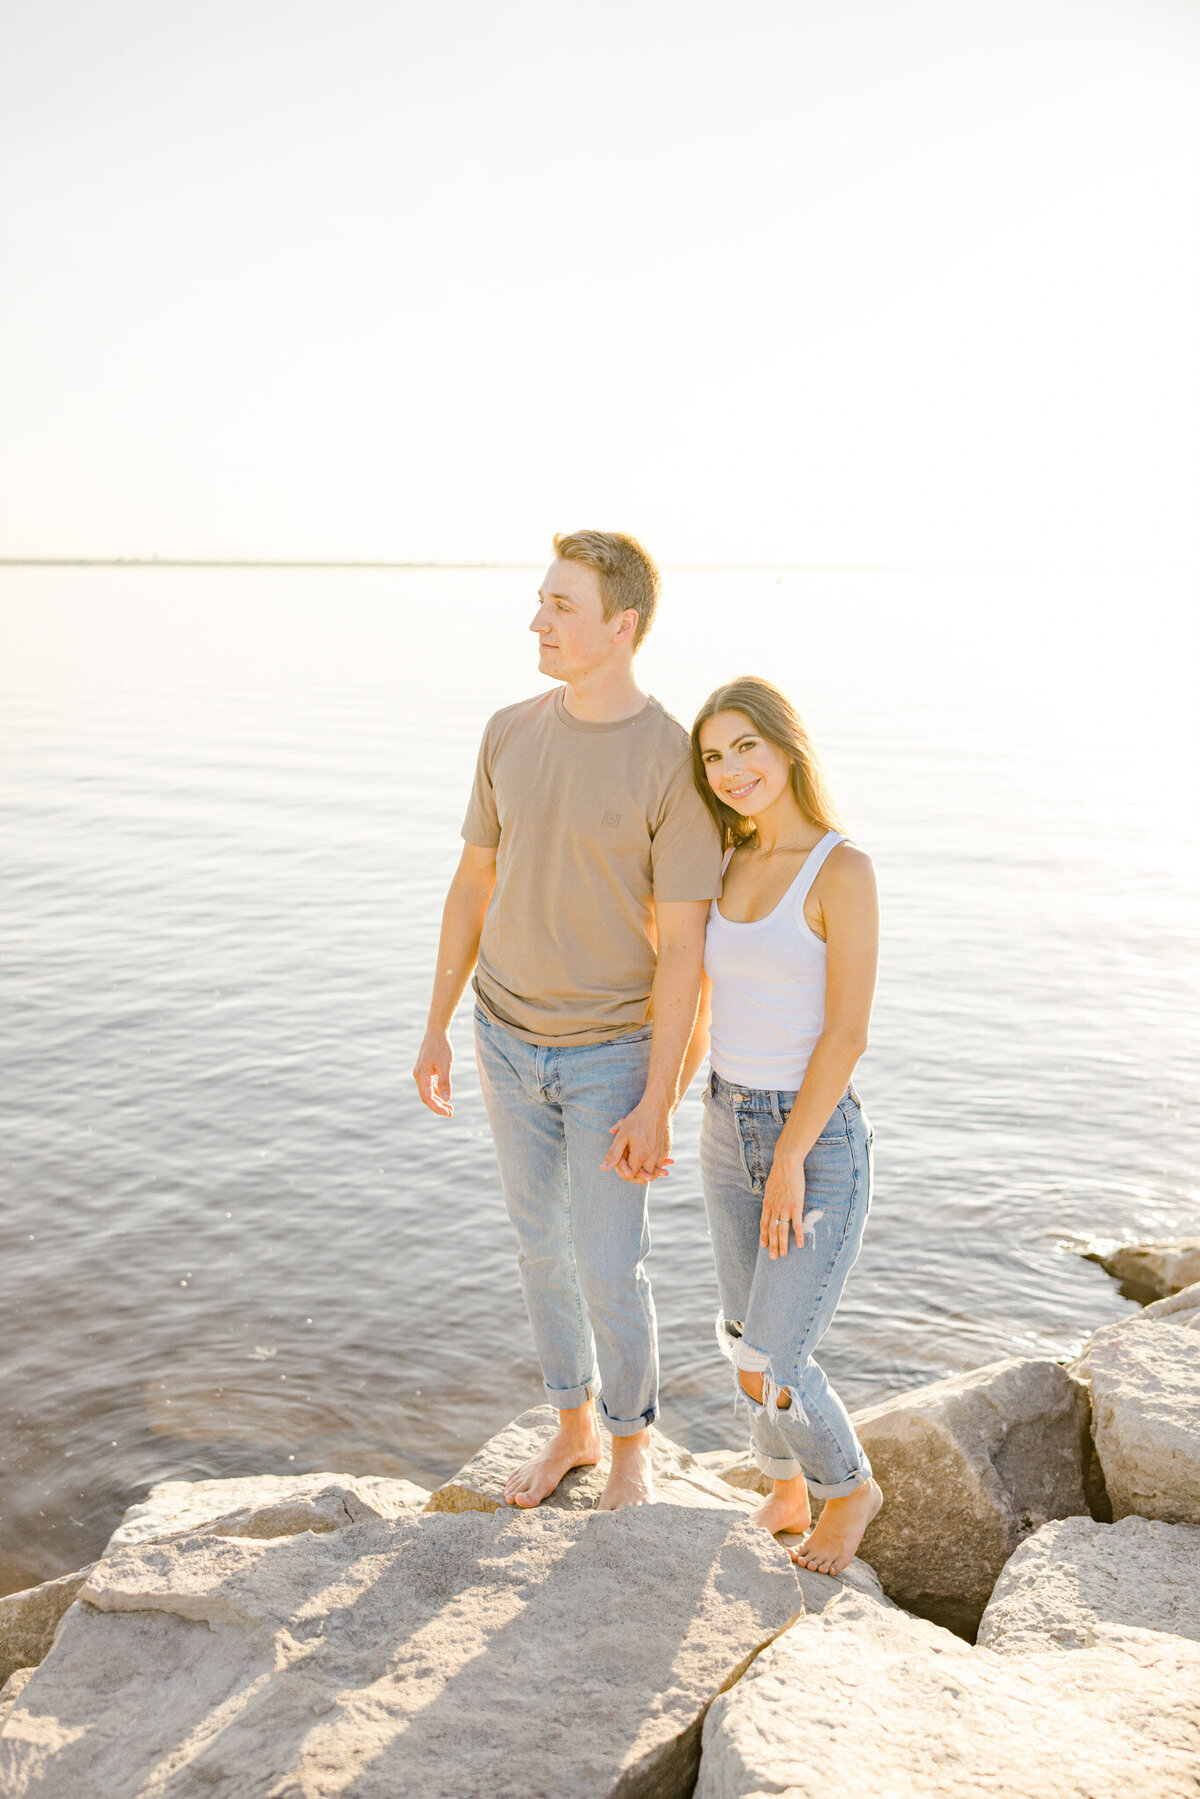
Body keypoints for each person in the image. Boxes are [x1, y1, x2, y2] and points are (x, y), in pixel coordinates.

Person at [413, 532, 722, 1510]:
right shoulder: (508, 730)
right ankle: (574, 1428)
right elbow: (472, 884)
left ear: (621, 626)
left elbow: (687, 954)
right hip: (502, 1035)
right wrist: (435, 1025)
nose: (537, 619)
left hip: (612, 1057)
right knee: (537, 1244)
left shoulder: (676, 761)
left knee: (607, 1259)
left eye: (561, 606)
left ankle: (633, 1451)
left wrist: (661, 1098)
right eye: (540, 600)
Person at [679, 675, 882, 1575]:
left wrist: (793, 1153)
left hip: (816, 1138)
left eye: (744, 748)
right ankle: (786, 1486)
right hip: (726, 1123)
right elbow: (699, 1005)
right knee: (737, 1333)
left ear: (786, 745)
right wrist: (660, 1108)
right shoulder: (725, 860)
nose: (729, 771)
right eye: (714, 757)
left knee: (772, 1355)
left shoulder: (843, 868)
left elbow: (847, 1032)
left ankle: (849, 1489)